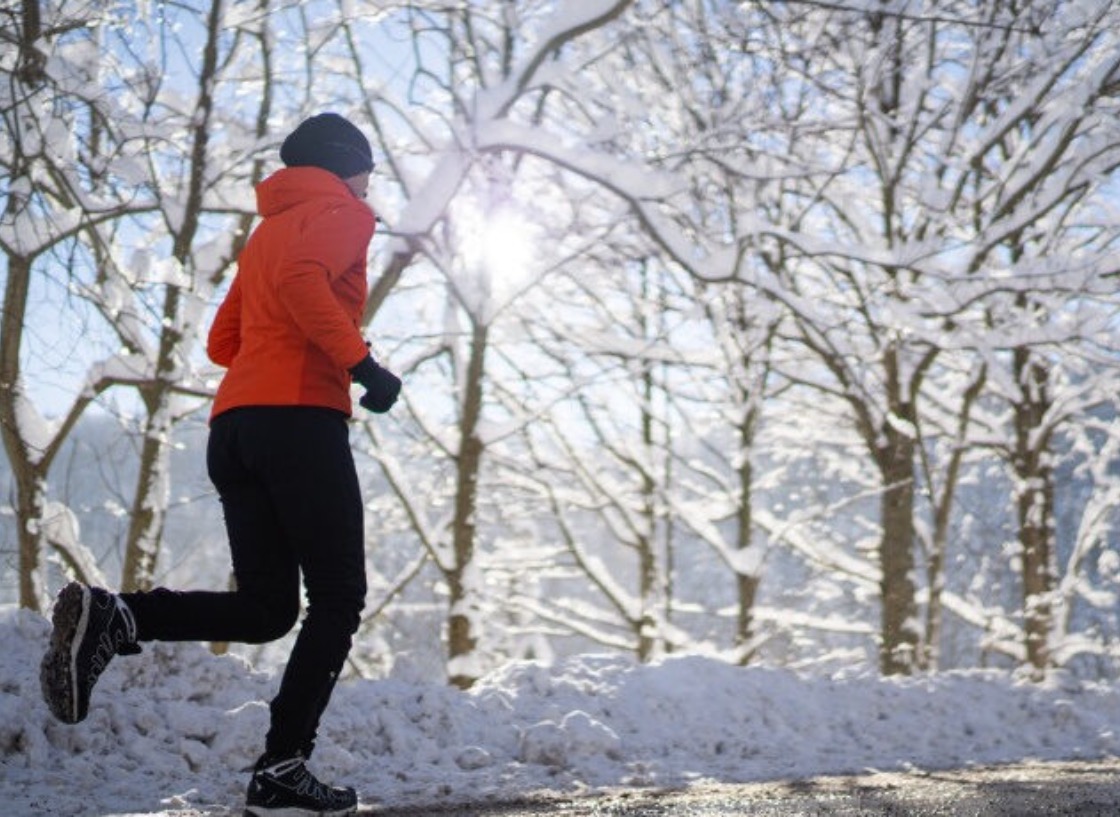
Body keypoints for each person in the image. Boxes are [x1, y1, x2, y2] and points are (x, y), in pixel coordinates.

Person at [39, 112, 401, 817]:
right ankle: (282, 768)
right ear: (342, 163)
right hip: (299, 421)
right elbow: (302, 285)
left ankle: (118, 616)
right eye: (366, 167)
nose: (369, 182)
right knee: (338, 596)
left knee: (268, 609)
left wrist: (282, 360)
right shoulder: (343, 213)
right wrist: (362, 363)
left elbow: (222, 339)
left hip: (235, 426)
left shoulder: (268, 229)